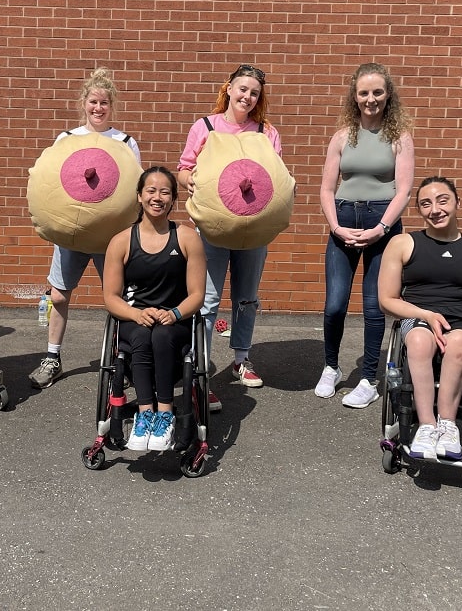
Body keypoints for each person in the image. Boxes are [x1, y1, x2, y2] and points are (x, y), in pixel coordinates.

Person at [29, 67, 142, 389]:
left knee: (120, 298)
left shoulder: (125, 142)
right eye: (93, 101)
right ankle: (52, 357)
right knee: (60, 295)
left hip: (112, 238)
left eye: (104, 102)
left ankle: (126, 358)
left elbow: (136, 186)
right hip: (71, 235)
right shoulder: (67, 139)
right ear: (84, 102)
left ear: (112, 106)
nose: (98, 108)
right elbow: (50, 181)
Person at [177, 64, 282, 408]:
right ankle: (202, 371)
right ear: (229, 89)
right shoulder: (205, 126)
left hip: (253, 231)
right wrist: (186, 179)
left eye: (254, 92)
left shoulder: (267, 132)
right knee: (206, 302)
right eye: (242, 89)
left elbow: (274, 177)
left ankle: (241, 358)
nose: (247, 97)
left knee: (246, 299)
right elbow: (184, 168)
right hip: (211, 229)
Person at [377, 176, 462, 459]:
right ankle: (427, 427)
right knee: (419, 339)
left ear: (458, 202)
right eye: (426, 204)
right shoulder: (403, 243)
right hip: (417, 315)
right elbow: (387, 300)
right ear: (419, 211)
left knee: (459, 343)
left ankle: (448, 425)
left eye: (443, 200)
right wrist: (426, 315)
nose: (435, 209)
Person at [315, 62, 415, 408]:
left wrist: (380, 229)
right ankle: (330, 366)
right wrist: (337, 227)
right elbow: (327, 189)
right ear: (354, 97)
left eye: (377, 92)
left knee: (374, 307)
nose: (370, 99)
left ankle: (368, 378)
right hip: (343, 221)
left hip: (382, 224)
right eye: (363, 93)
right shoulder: (343, 136)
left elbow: (403, 191)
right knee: (334, 305)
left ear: (388, 95)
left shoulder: (399, 137)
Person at [102, 167, 206, 451]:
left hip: (175, 320)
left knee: (161, 335)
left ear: (173, 200)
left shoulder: (187, 238)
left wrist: (173, 313)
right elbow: (110, 297)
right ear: (139, 196)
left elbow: (197, 294)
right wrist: (136, 313)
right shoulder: (121, 241)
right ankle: (144, 414)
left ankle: (165, 414)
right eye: (151, 190)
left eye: (164, 192)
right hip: (133, 318)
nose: (157, 197)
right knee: (140, 336)